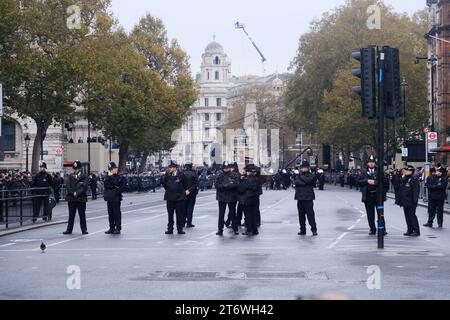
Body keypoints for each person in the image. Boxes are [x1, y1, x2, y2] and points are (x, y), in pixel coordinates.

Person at [358, 156, 389, 236]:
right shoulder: (363, 172)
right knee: (370, 214)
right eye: (370, 162)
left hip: (377, 195)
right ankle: (372, 229)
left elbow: (385, 182)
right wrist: (367, 181)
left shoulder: (379, 171)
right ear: (367, 163)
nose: (371, 164)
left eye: (373, 162)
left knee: (380, 213)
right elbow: (358, 181)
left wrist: (376, 182)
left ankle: (382, 228)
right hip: (368, 196)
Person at [63, 161, 89, 235]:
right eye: (74, 169)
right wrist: (72, 193)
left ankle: (84, 229)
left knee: (82, 215)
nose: (75, 170)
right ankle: (69, 229)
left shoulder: (84, 176)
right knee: (71, 215)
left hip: (81, 198)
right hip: (71, 198)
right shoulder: (70, 176)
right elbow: (68, 186)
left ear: (80, 168)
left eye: (77, 169)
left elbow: (84, 187)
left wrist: (77, 193)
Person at [162, 161, 187, 235]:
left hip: (179, 198)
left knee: (179, 214)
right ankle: (170, 229)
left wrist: (181, 192)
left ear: (175, 168)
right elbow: (164, 183)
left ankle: (180, 229)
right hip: (170, 197)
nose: (170, 169)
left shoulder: (181, 175)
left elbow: (185, 184)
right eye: (169, 167)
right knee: (170, 214)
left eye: (171, 167)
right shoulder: (167, 175)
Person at [215, 161, 240, 236]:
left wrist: (226, 186)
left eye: (227, 168)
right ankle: (220, 229)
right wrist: (226, 186)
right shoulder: (220, 175)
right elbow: (216, 184)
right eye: (225, 168)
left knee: (232, 213)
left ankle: (235, 228)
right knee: (221, 214)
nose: (226, 169)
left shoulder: (234, 175)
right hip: (222, 196)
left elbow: (236, 184)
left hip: (231, 196)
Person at [294, 160, 318, 236]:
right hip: (300, 197)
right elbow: (296, 183)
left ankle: (314, 229)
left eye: (304, 167)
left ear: (308, 168)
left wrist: (301, 179)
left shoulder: (311, 175)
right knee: (301, 215)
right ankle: (302, 229)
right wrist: (303, 182)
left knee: (310, 215)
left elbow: (308, 181)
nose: (303, 169)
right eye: (302, 168)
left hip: (308, 197)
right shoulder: (298, 175)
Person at [238, 164, 262, 236]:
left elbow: (241, 189)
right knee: (253, 214)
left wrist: (241, 181)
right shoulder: (257, 178)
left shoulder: (247, 179)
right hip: (254, 198)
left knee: (248, 215)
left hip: (247, 198)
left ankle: (249, 229)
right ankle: (255, 230)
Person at [397, 165, 421, 237]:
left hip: (411, 201)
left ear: (411, 171)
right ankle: (409, 229)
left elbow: (416, 191)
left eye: (407, 170)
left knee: (412, 216)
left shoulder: (414, 179)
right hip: (405, 201)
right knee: (407, 216)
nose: (406, 171)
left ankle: (416, 230)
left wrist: (415, 201)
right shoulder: (405, 178)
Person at [103, 162, 126, 235]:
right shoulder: (107, 177)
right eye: (113, 168)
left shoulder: (119, 177)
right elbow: (107, 185)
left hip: (116, 198)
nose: (115, 169)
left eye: (114, 168)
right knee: (110, 213)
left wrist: (111, 178)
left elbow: (120, 185)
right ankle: (111, 227)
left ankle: (118, 228)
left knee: (117, 213)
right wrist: (114, 186)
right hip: (109, 197)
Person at [183, 163, 199, 228]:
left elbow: (180, 184)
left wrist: (185, 190)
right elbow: (196, 184)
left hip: (184, 193)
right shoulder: (194, 174)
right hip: (192, 193)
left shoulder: (182, 174)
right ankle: (189, 223)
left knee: (184, 208)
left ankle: (183, 222)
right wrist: (190, 190)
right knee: (190, 208)